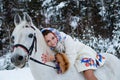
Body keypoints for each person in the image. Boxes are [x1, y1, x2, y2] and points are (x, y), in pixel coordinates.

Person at [41, 28, 105, 80]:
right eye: (48, 41)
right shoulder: (51, 48)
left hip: (82, 52)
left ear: (56, 35)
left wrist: (55, 57)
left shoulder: (66, 39)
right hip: (73, 57)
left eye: (53, 38)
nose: (52, 42)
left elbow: (71, 57)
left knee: (88, 74)